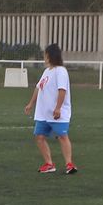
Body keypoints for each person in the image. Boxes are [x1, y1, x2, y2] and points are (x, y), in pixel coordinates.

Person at [24, 43, 75, 174]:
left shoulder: (61, 71)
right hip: (44, 114)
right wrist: (31, 104)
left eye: (46, 54)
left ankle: (69, 164)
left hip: (57, 113)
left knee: (62, 136)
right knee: (39, 137)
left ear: (51, 56)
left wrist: (58, 108)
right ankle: (49, 164)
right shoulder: (47, 71)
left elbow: (62, 90)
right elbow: (38, 88)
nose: (44, 57)